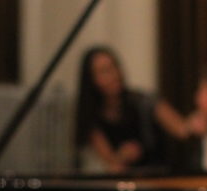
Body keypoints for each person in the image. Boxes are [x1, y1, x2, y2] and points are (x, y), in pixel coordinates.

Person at [74, 46, 194, 174]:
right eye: (104, 71)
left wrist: (194, 123)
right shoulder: (92, 118)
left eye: (114, 66)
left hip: (159, 175)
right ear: (92, 80)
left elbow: (182, 129)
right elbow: (111, 162)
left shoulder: (144, 102)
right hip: (125, 181)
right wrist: (122, 156)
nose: (113, 75)